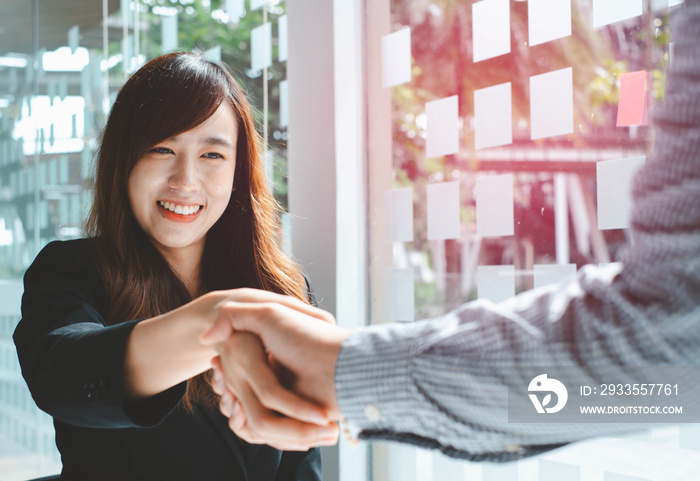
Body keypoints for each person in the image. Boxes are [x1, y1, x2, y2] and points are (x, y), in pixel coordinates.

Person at [200, 0, 700, 462]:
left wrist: (343, 371)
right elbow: (671, 364)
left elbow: (671, 356)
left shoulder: (286, 288)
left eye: (214, 154)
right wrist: (342, 372)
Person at [13, 52, 338, 480]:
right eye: (162, 148)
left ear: (239, 169)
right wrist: (219, 320)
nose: (185, 181)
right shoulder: (73, 269)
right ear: (123, 160)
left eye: (213, 155)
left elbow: (302, 467)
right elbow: (62, 375)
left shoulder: (281, 288)